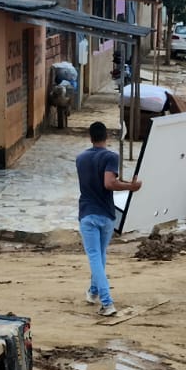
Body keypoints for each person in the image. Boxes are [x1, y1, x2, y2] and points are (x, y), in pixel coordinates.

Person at [76, 121, 141, 317]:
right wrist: (131, 187)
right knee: (100, 256)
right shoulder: (111, 156)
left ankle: (106, 301)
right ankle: (95, 293)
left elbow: (104, 181)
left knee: (96, 256)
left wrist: (125, 184)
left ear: (90, 137)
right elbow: (109, 183)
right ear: (107, 137)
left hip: (87, 213)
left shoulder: (80, 158)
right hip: (106, 215)